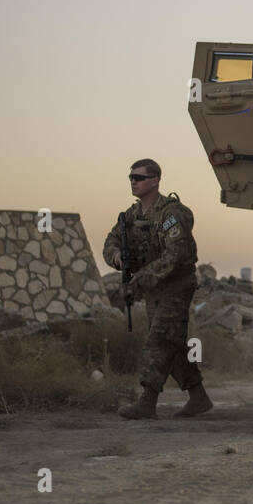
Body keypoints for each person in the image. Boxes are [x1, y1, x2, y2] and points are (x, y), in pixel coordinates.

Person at [101, 159, 212, 419]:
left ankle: (147, 402)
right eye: (131, 177)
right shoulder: (131, 216)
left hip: (175, 287)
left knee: (159, 341)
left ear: (155, 180)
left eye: (139, 177)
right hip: (153, 291)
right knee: (172, 344)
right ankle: (199, 398)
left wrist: (142, 277)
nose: (133, 181)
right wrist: (117, 256)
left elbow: (176, 254)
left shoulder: (171, 214)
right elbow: (111, 241)